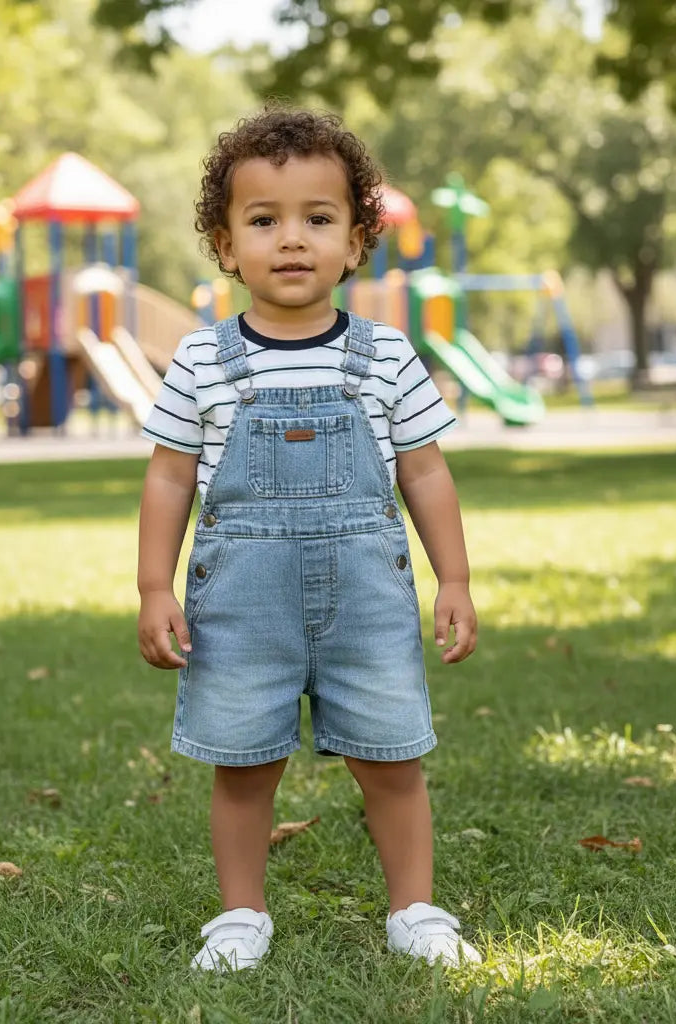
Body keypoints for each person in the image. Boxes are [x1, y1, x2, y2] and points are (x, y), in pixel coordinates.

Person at [137, 106, 482, 973]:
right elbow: (170, 476)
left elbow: (426, 472)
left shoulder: (388, 355)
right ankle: (241, 916)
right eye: (264, 221)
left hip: (365, 599)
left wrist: (456, 579)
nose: (292, 241)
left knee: (391, 756)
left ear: (358, 239)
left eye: (318, 219)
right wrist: (153, 588)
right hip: (241, 607)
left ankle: (416, 910)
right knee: (244, 763)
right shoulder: (201, 361)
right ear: (224, 244)